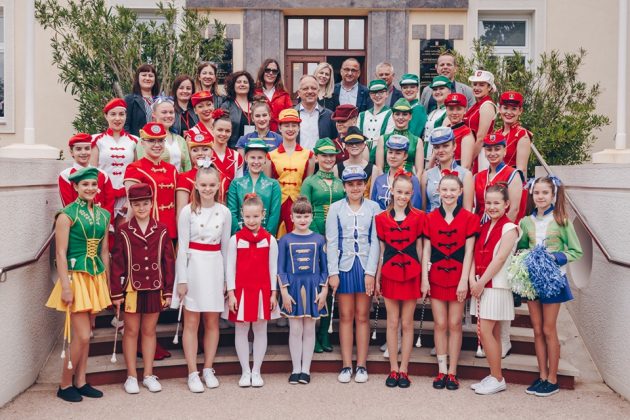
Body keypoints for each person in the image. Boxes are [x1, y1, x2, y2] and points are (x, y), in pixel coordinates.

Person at [46, 167, 112, 402]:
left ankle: (81, 381)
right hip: (75, 278)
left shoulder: (104, 214)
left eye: (93, 184)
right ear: (75, 187)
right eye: (85, 185)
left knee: (88, 334)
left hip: (95, 277)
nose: (90, 188)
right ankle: (65, 384)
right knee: (82, 335)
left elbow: (104, 251)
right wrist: (65, 286)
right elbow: (60, 253)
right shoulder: (66, 215)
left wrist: (107, 282)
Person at [517, 176, 583, 397]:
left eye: (545, 192)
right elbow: (522, 248)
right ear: (532, 194)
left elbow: (576, 251)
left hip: (553, 280)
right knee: (536, 329)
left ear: (553, 195)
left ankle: (553, 378)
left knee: (548, 329)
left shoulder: (561, 220)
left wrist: (555, 258)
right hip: (533, 281)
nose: (540, 196)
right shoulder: (526, 222)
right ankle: (543, 375)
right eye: (537, 192)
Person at [110, 183, 175, 394]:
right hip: (132, 288)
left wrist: (168, 290)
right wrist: (116, 293)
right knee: (131, 331)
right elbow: (117, 263)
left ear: (151, 203)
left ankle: (148, 374)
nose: (141, 208)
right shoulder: (124, 230)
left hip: (155, 287)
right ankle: (131, 376)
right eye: (137, 204)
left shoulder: (162, 229)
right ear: (131, 205)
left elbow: (168, 262)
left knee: (149, 331)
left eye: (145, 203)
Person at [172, 166, 231, 393]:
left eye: (212, 185)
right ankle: (192, 372)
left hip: (214, 265)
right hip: (193, 266)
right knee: (191, 322)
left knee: (212, 322)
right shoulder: (188, 211)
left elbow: (225, 248)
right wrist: (182, 279)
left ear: (218, 186)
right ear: (196, 185)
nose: (207, 189)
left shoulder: (224, 212)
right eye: (203, 185)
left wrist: (226, 280)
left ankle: (208, 368)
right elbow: (182, 246)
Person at [422, 174, 479, 391]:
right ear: (438, 191)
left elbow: (469, 252)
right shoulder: (429, 218)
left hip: (458, 277)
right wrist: (425, 279)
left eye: (453, 190)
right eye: (444, 189)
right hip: (436, 276)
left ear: (460, 191)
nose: (448, 194)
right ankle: (441, 370)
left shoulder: (469, 218)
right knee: (440, 324)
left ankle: (453, 372)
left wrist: (464, 280)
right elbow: (426, 251)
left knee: (455, 324)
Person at [326, 165, 380, 384]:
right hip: (344, 266)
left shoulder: (374, 207)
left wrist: (371, 272)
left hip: (365, 266)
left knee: (362, 316)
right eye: (351, 184)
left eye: (359, 183)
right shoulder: (336, 208)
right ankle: (347, 365)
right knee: (346, 316)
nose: (355, 188)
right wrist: (333, 272)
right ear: (344, 186)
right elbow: (331, 241)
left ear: (365, 184)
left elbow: (376, 241)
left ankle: (362, 365)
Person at [468, 184, 520, 395]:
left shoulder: (510, 229)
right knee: (493, 333)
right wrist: (472, 280)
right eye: (488, 203)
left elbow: (499, 259)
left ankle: (498, 378)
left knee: (485, 331)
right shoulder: (484, 226)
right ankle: (494, 375)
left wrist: (480, 283)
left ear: (506, 204)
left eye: (496, 202)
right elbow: (474, 254)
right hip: (482, 284)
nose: (491, 207)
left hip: (496, 286)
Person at [375, 173, 425, 388]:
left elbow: (421, 248)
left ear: (412, 193)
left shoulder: (419, 217)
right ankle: (393, 369)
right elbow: (381, 252)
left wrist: (423, 278)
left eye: (407, 193)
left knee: (407, 322)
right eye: (399, 192)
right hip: (389, 273)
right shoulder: (381, 218)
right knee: (392, 322)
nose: (402, 196)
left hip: (411, 273)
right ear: (392, 191)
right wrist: (377, 278)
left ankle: (404, 369)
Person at [225, 193, 279, 388]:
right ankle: (245, 371)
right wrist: (231, 293)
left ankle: (256, 370)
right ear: (242, 214)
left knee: (260, 329)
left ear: (263, 214)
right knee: (241, 329)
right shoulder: (235, 240)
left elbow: (273, 269)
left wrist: (273, 293)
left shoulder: (270, 240)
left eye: (255, 216)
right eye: (247, 216)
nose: (251, 220)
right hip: (241, 291)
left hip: (262, 291)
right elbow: (230, 268)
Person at [300, 138, 345, 352]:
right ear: (316, 157)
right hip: (315, 237)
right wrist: (317, 236)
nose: (328, 159)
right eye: (324, 155)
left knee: (330, 283)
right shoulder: (309, 182)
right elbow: (303, 210)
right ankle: (312, 332)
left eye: (332, 156)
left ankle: (324, 333)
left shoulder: (340, 183)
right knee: (316, 284)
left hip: (336, 238)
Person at [278, 196, 329, 384]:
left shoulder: (319, 239)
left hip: (313, 288)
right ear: (291, 217)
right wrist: (284, 292)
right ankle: (295, 369)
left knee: (309, 329)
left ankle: (306, 369)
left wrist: (324, 291)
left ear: (312, 216)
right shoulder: (284, 240)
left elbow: (325, 269)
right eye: (298, 216)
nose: (302, 220)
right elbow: (280, 269)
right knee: (295, 329)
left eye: (306, 216)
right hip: (292, 289)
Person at [124, 122, 178, 241]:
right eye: (151, 140)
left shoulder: (172, 169)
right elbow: (132, 207)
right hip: (146, 233)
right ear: (142, 143)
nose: (157, 145)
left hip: (171, 232)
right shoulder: (134, 168)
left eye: (160, 141)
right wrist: (128, 236)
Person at [90, 99, 138, 226]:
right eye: (113, 114)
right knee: (104, 231)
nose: (117, 118)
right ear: (106, 116)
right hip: (102, 194)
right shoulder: (97, 140)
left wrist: (130, 199)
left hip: (125, 196)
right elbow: (92, 172)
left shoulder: (134, 141)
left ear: (126, 116)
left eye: (121, 114)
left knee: (123, 232)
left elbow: (137, 173)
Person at [268, 108, 315, 237]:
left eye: (294, 125)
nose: (290, 129)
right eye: (286, 125)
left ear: (299, 128)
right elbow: (267, 186)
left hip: (300, 206)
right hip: (278, 206)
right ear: (279, 128)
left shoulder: (309, 155)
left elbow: (308, 184)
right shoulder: (270, 156)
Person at [227, 139, 282, 236]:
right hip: (240, 237)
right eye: (252, 157)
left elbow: (274, 215)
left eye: (260, 158)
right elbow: (232, 212)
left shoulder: (273, 185)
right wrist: (239, 236)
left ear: (265, 159)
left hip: (264, 238)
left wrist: (265, 237)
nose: (256, 162)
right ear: (246, 158)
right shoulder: (236, 184)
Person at [59, 133, 115, 221]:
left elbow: (110, 203)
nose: (83, 152)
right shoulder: (65, 175)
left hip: (102, 223)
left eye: (87, 148)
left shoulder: (102, 174)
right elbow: (68, 205)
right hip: (78, 224)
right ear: (71, 152)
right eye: (78, 149)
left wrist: (106, 223)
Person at [474, 133, 526, 223]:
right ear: (485, 152)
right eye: (489, 149)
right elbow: (476, 208)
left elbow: (514, 210)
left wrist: (501, 229)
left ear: (504, 151)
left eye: (497, 149)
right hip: (480, 227)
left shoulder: (513, 174)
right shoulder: (477, 176)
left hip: (503, 227)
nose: (492, 153)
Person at [421, 126, 473, 212]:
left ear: (454, 146)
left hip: (456, 220)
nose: (440, 150)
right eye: (436, 147)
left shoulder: (465, 175)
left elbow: (467, 211)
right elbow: (423, 209)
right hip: (430, 219)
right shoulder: (427, 175)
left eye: (445, 146)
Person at [137, 97, 192, 172]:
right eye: (164, 112)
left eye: (171, 112)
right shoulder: (146, 138)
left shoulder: (181, 140)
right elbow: (142, 166)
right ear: (154, 114)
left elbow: (188, 168)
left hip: (180, 179)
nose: (168, 115)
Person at [371, 135, 423, 210]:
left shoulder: (412, 180)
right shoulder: (379, 180)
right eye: (390, 152)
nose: (393, 156)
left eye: (398, 153)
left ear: (405, 156)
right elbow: (373, 207)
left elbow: (415, 208)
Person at [374, 98, 423, 175]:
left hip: (409, 180)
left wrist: (415, 182)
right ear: (393, 116)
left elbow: (419, 171)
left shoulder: (417, 141)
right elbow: (379, 168)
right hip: (387, 179)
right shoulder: (383, 139)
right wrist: (385, 181)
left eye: (404, 114)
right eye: (397, 114)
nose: (400, 117)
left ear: (410, 117)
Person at [465, 70, 498, 173]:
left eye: (481, 85)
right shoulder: (476, 105)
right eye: (475, 84)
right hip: (472, 152)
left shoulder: (487, 105)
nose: (477, 88)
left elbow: (481, 138)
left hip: (480, 155)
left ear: (489, 87)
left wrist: (468, 161)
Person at [175, 131, 214, 218]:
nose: (200, 153)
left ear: (212, 152)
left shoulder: (221, 177)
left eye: (205, 149)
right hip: (192, 223)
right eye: (195, 150)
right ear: (190, 153)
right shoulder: (184, 177)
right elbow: (181, 210)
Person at [336, 127, 382, 197]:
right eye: (350, 143)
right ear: (346, 146)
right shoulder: (336, 168)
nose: (354, 145)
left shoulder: (373, 169)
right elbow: (337, 195)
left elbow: (372, 196)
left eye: (358, 143)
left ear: (364, 145)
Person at [295, 75, 338, 149]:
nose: (310, 91)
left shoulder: (329, 116)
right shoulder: (291, 115)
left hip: (322, 156)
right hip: (297, 156)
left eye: (313, 88)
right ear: (299, 93)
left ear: (318, 91)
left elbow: (335, 141)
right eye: (305, 88)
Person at [210, 109, 244, 201]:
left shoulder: (236, 157)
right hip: (210, 201)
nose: (223, 134)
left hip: (231, 202)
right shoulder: (205, 155)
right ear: (212, 129)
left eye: (227, 131)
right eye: (220, 130)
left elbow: (239, 185)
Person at [357, 79, 394, 160]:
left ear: (387, 94)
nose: (377, 95)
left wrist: (372, 156)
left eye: (381, 92)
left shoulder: (391, 114)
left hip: (382, 155)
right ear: (370, 95)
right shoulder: (362, 115)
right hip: (362, 155)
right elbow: (358, 138)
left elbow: (387, 138)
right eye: (373, 92)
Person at [496, 91, 532, 174]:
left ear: (520, 111)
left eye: (514, 109)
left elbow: (521, 170)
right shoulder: (497, 133)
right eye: (505, 108)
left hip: (512, 180)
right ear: (500, 109)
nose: (509, 112)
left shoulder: (522, 135)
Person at [255, 58, 293, 132]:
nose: (271, 73)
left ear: (277, 74)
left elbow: (289, 116)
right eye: (267, 70)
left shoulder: (284, 95)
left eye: (274, 71)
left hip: (279, 133)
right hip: (258, 133)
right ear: (262, 71)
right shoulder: (254, 92)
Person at [221, 70, 257, 149]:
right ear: (233, 85)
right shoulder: (227, 106)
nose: (242, 84)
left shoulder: (256, 105)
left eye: (245, 82)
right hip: (233, 149)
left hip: (254, 150)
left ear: (250, 86)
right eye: (238, 82)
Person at [124, 63, 160, 136]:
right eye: (144, 75)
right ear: (138, 78)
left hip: (159, 140)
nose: (147, 78)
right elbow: (125, 125)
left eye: (151, 76)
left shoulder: (160, 100)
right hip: (138, 141)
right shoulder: (130, 100)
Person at [423, 75, 452, 164]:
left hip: (437, 160)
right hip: (425, 158)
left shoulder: (449, 112)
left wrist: (431, 163)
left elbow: (443, 140)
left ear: (449, 91)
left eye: (441, 88)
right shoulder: (432, 112)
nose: (438, 92)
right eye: (435, 89)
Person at [444, 93, 475, 170]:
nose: (454, 113)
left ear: (465, 110)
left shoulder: (466, 133)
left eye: (458, 109)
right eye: (451, 109)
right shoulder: (445, 130)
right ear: (446, 110)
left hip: (455, 174)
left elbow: (465, 166)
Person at [398, 73, 428, 140]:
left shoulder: (418, 109)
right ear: (401, 90)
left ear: (417, 89)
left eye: (412, 87)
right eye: (405, 87)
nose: (408, 90)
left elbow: (413, 135)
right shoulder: (400, 107)